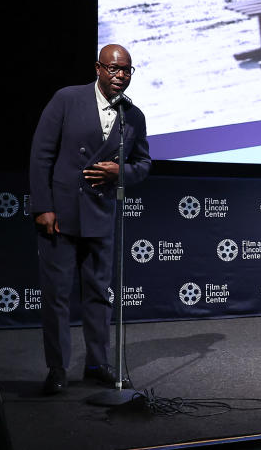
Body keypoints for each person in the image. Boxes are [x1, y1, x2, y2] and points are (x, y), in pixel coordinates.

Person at [30, 44, 151, 396]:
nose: (121, 76)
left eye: (127, 70)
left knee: (99, 294)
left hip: (100, 216)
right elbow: (41, 155)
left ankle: (97, 363)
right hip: (62, 214)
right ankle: (57, 368)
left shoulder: (134, 115)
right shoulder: (67, 100)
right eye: (114, 69)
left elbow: (143, 164)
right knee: (57, 297)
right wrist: (43, 207)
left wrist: (121, 171)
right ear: (98, 68)